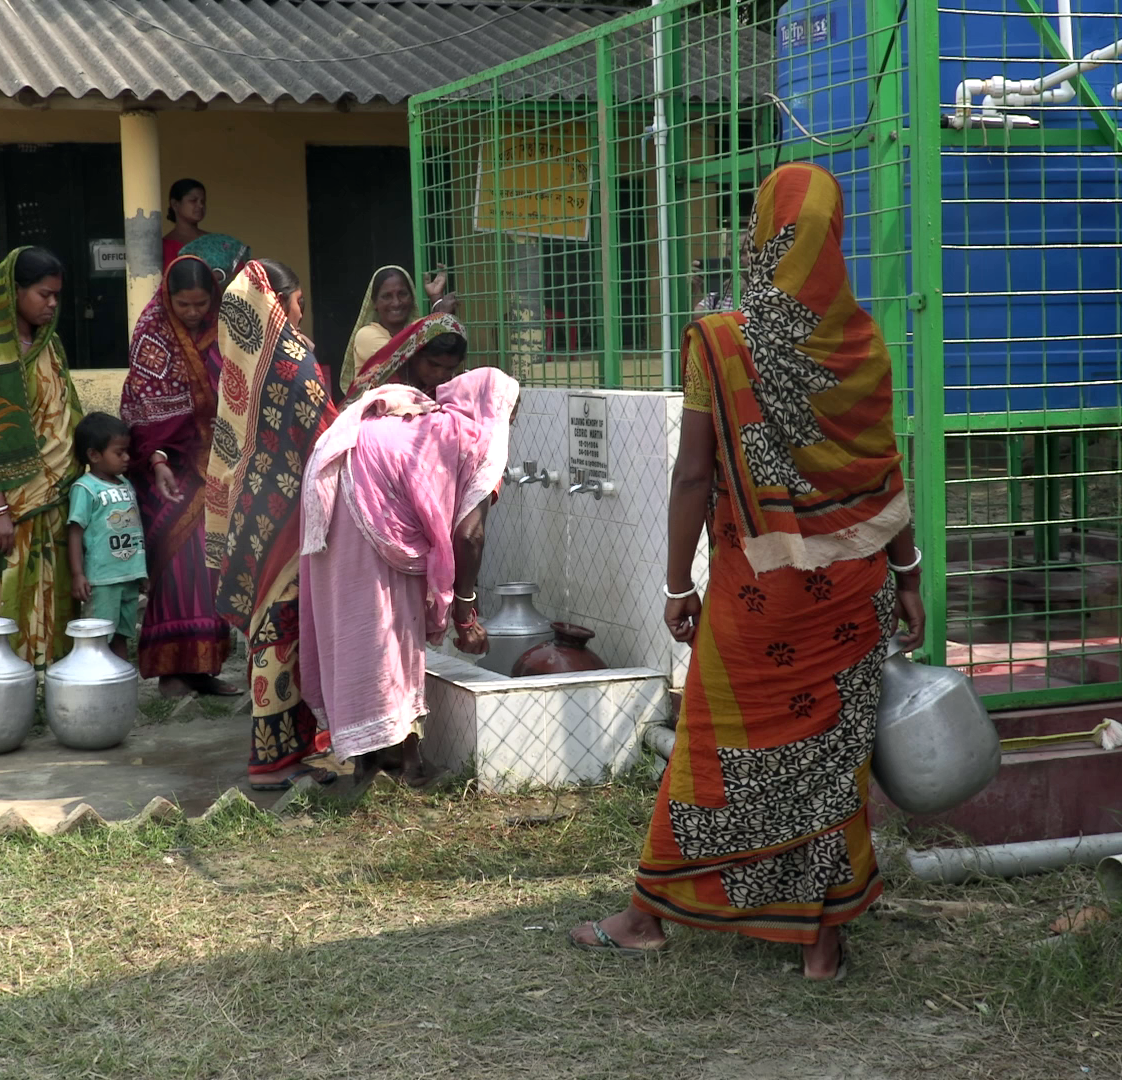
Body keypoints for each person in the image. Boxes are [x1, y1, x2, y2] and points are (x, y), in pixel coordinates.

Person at [567, 163, 924, 980]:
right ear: (833, 238)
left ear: (763, 238)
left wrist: (674, 584)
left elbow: (693, 475)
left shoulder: (723, 342)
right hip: (854, 596)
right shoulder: (862, 346)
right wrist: (907, 575)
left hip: (756, 597)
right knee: (835, 762)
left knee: (711, 749)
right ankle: (820, 942)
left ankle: (647, 917)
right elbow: (884, 472)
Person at [298, 367, 517, 786]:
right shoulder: (477, 440)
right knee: (388, 632)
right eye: (511, 415)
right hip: (369, 505)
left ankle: (367, 762)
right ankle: (405, 766)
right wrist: (466, 617)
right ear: (497, 411)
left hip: (330, 479)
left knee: (352, 631)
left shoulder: (427, 422)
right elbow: (469, 536)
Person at [206, 259, 340, 791]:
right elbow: (323, 428)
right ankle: (273, 758)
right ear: (278, 303)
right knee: (282, 628)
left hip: (251, 513)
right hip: (286, 520)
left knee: (270, 627)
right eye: (298, 302)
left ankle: (290, 744)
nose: (302, 313)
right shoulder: (290, 360)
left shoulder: (241, 359)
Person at [121, 253, 240, 696]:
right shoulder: (152, 335)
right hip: (165, 470)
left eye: (200, 305)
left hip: (216, 466)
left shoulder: (223, 331)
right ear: (169, 299)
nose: (193, 314)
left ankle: (205, 667)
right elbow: (143, 413)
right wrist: (157, 460)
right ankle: (171, 669)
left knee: (211, 569)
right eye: (184, 305)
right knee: (176, 570)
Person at [0, 246, 85, 670]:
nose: (52, 304)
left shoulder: (51, 349)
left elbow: (66, 412)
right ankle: (5, 677)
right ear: (14, 292)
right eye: (43, 294)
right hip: (14, 505)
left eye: (56, 296)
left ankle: (57, 673)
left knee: (59, 587)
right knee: (14, 586)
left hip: (60, 493)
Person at [65, 413, 148, 660]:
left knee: (122, 634)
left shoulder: (125, 484)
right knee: (99, 637)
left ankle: (119, 681)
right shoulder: (85, 488)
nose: (127, 458)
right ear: (94, 455)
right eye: (119, 452)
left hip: (129, 575)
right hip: (102, 580)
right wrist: (78, 574)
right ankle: (96, 682)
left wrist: (141, 573)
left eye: (127, 451)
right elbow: (75, 533)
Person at [340, 265, 457, 396]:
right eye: (387, 296)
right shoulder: (366, 335)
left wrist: (437, 300)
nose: (396, 303)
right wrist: (440, 315)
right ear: (375, 303)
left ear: (412, 298)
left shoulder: (418, 331)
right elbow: (405, 363)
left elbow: (442, 353)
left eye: (402, 294)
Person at [344, 313, 469, 401]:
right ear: (414, 353)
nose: (440, 374)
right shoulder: (382, 382)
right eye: (433, 364)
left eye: (450, 368)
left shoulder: (453, 386)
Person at [160, 177, 209, 269]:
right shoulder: (164, 248)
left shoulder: (214, 241)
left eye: (203, 201)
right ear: (175, 204)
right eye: (193, 201)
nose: (201, 205)